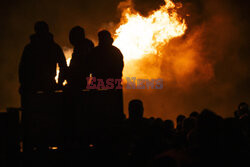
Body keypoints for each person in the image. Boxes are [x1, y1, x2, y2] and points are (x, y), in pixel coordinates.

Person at [19, 21, 67, 107]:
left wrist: (24, 84)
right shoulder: (53, 47)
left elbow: (22, 68)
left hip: (33, 84)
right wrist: (59, 84)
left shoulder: (30, 48)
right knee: (49, 109)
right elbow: (63, 66)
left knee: (31, 110)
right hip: (47, 84)